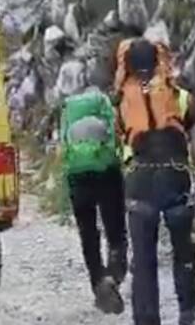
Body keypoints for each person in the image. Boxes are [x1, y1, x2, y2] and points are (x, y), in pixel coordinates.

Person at [113, 38, 195, 325]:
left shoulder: (121, 100)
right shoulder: (177, 92)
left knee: (143, 260)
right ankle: (187, 313)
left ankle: (147, 319)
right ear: (158, 60)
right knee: (183, 249)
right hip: (175, 176)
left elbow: (117, 140)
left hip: (140, 180)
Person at [59, 84, 128, 314]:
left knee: (88, 233)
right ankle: (114, 274)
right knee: (115, 229)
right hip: (106, 171)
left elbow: (63, 143)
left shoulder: (69, 109)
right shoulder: (104, 104)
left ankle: (98, 282)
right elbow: (118, 134)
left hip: (77, 175)